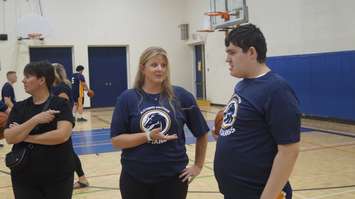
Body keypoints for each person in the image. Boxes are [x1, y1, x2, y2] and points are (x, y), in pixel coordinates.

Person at [213, 24, 301, 199]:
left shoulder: (277, 89)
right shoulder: (243, 85)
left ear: (251, 52)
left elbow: (289, 151)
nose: (227, 59)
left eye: (232, 52)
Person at [110, 46, 209, 199]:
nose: (160, 69)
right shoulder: (127, 98)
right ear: (143, 68)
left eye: (163, 65)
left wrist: (198, 166)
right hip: (134, 178)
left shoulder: (182, 96)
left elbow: (201, 132)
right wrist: (148, 136)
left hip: (173, 178)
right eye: (154, 65)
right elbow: (117, 141)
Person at [4, 61, 75, 199]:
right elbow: (9, 137)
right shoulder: (19, 107)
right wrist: (35, 120)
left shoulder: (60, 104)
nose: (23, 80)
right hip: (24, 176)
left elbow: (61, 136)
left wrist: (25, 136)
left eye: (28, 76)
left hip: (58, 175)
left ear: (42, 80)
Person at [52, 63, 89, 189]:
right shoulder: (57, 86)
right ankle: (81, 178)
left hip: (62, 125)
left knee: (68, 153)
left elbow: (63, 108)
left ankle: (81, 179)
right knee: (66, 152)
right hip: (60, 125)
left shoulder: (61, 88)